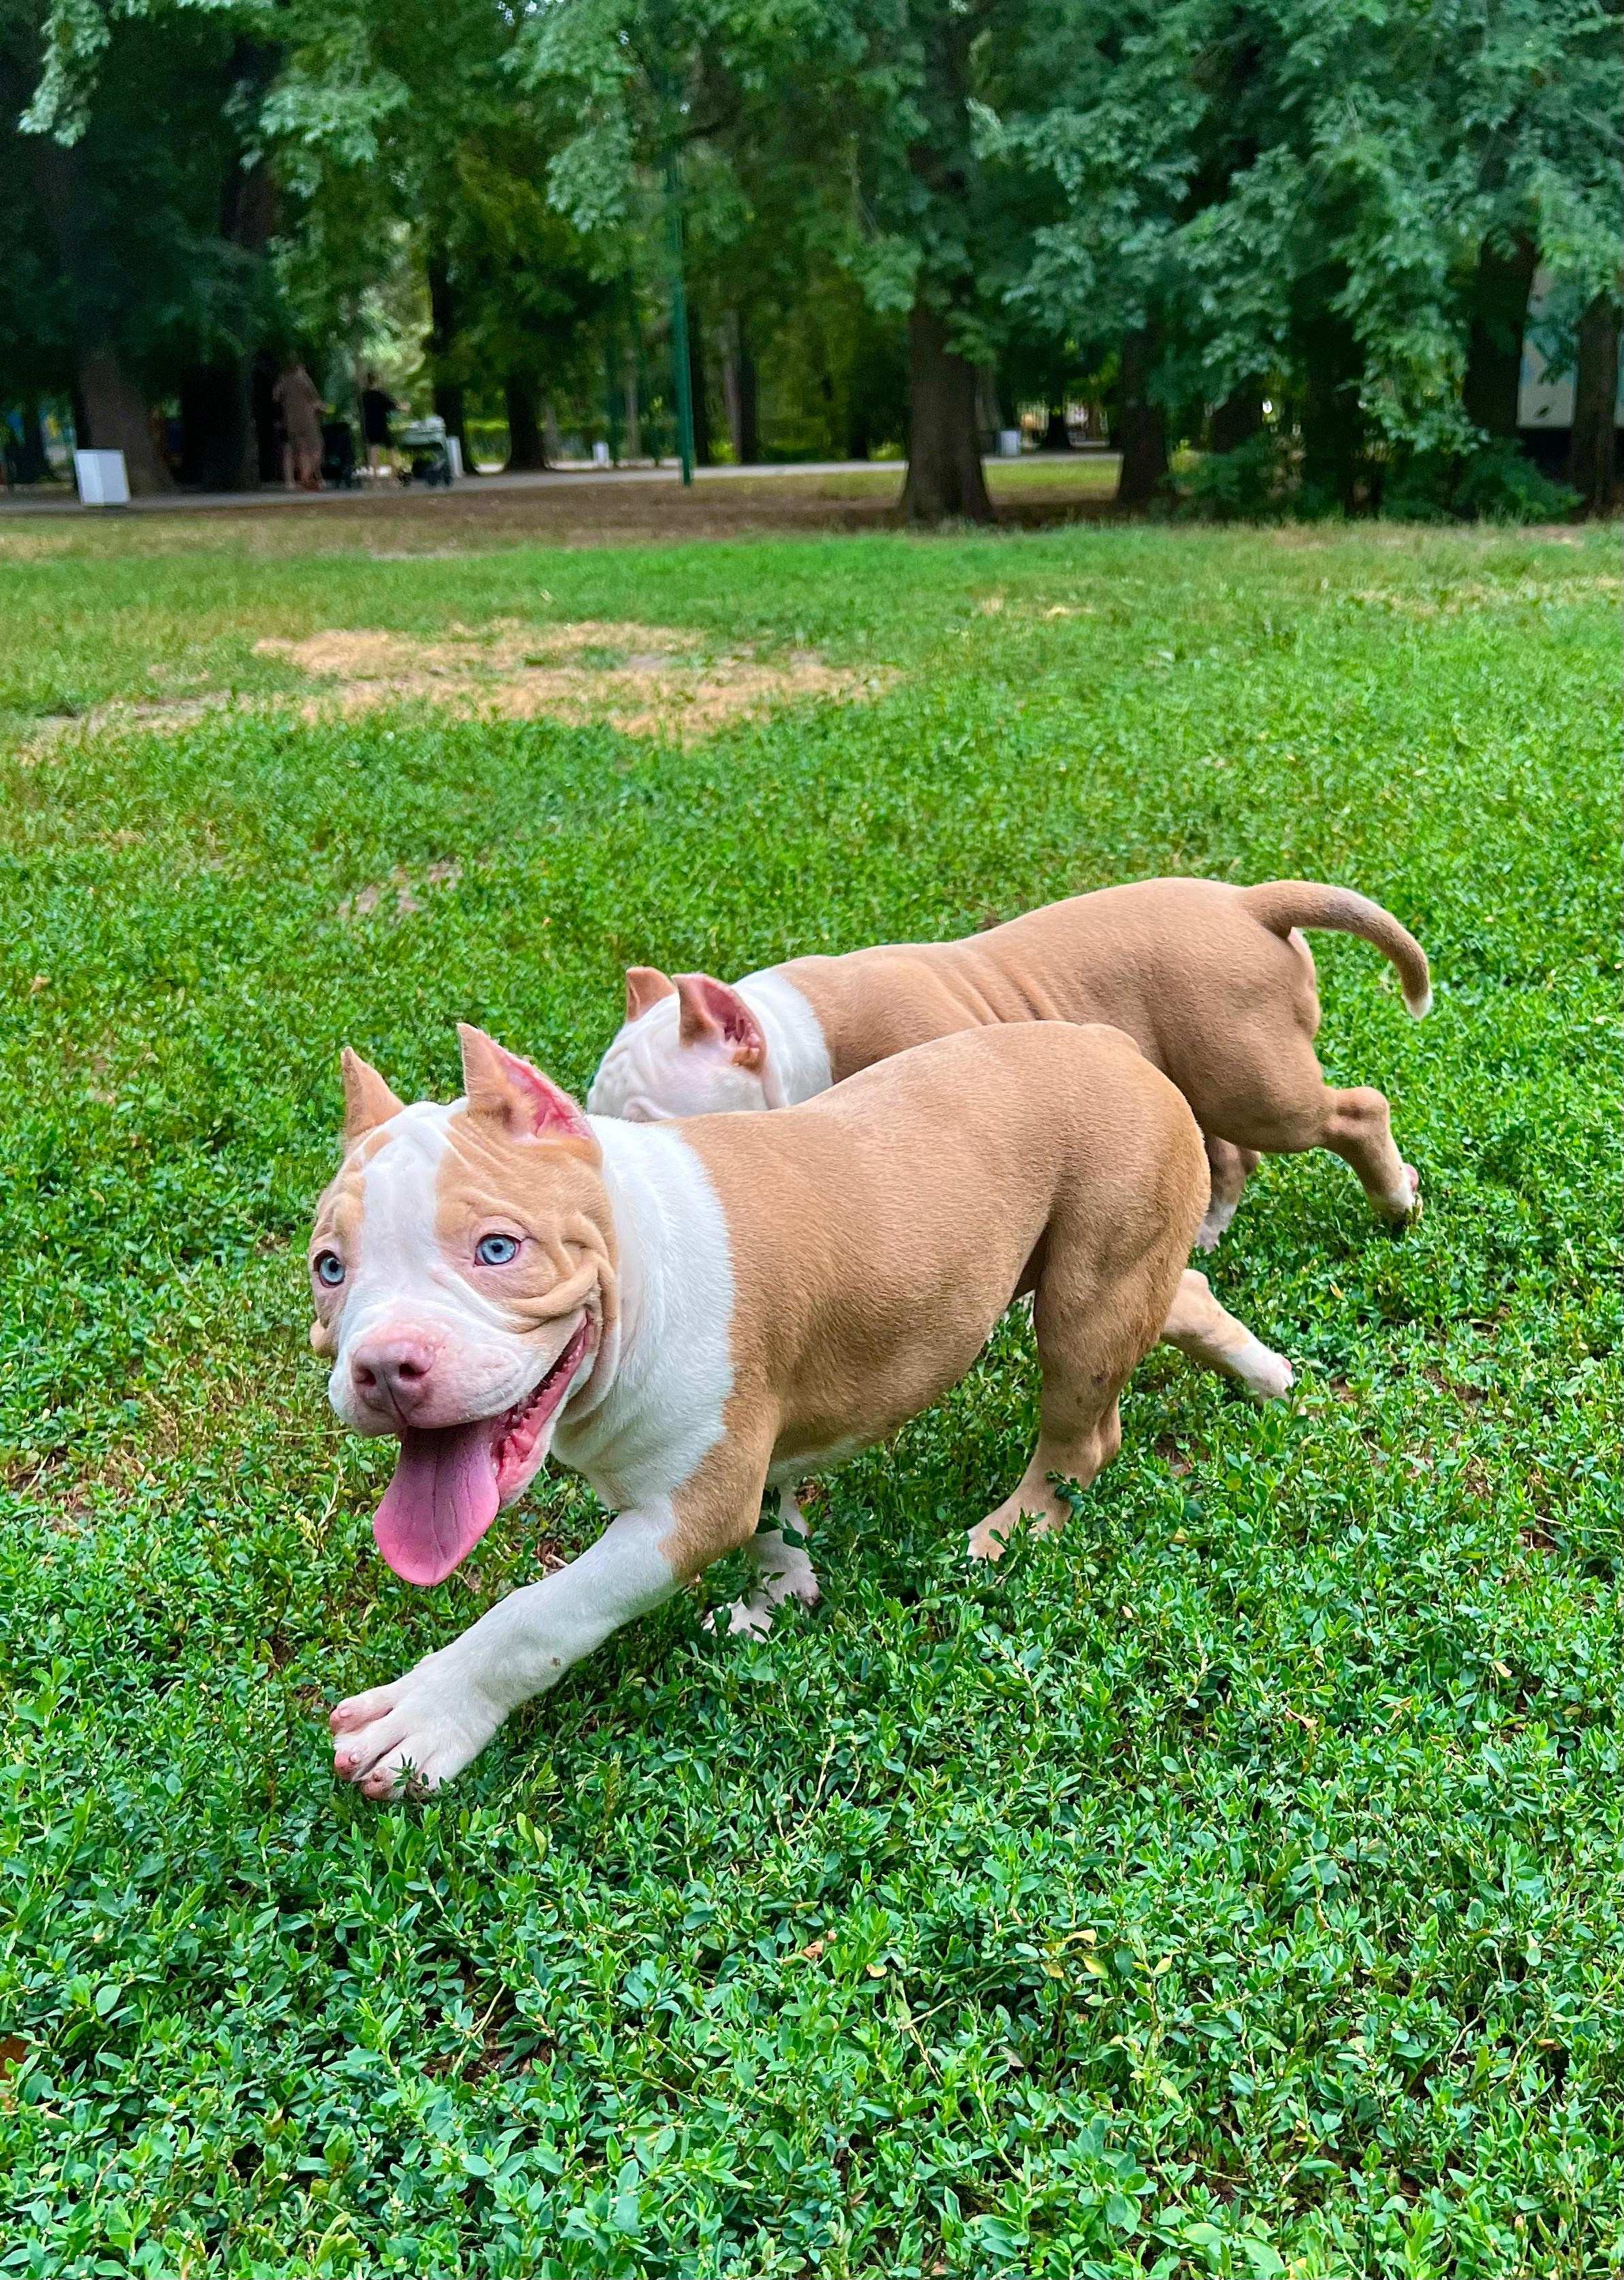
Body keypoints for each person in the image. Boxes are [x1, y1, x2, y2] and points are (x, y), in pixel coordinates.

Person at [274, 360, 325, 490]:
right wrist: (321, 408)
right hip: (307, 419)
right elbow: (314, 399)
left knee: (301, 450)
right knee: (317, 448)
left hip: (291, 421)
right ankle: (306, 476)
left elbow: (276, 397)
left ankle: (300, 478)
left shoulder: (283, 380)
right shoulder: (303, 378)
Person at [360, 371, 398, 478]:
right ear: (377, 380)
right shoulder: (381, 395)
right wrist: (404, 407)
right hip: (382, 425)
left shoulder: (365, 396)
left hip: (369, 425)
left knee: (373, 449)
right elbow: (393, 406)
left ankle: (375, 477)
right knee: (391, 448)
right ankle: (393, 474)